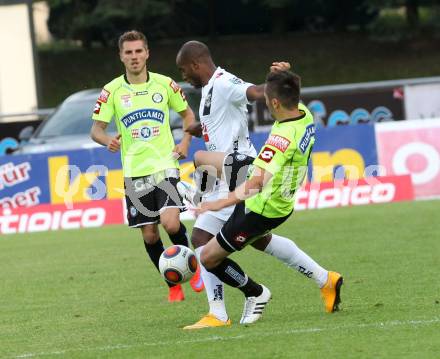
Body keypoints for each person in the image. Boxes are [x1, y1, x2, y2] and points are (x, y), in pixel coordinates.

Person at [175, 41, 342, 329]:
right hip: (243, 182)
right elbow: (218, 124)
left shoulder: (227, 84)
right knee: (251, 240)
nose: (183, 76)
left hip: (244, 178)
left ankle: (240, 301)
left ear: (194, 65)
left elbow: (253, 93)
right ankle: (324, 279)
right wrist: (282, 79)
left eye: (183, 70)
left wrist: (217, 201)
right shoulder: (300, 113)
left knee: (207, 247)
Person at [90, 30, 203, 302]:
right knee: (151, 234)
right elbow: (96, 130)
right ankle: (172, 283)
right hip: (134, 171)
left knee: (171, 222)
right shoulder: (112, 91)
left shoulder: (165, 85)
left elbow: (188, 114)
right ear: (121, 56)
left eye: (138, 51)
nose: (134, 57)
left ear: (147, 53)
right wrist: (107, 141)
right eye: (128, 52)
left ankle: (194, 268)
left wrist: (186, 142)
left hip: (165, 165)